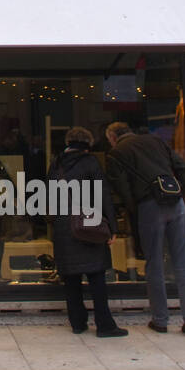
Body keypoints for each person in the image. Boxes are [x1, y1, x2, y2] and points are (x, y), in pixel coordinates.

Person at [104, 121, 185, 335]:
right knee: (184, 261)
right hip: (176, 203)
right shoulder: (156, 141)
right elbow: (183, 168)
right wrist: (180, 194)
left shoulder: (116, 153)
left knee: (154, 263)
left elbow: (123, 190)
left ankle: (160, 319)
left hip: (148, 206)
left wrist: (134, 213)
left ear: (112, 138)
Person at [48, 127, 127, 337]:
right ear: (88, 144)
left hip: (64, 226)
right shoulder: (90, 163)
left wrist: (54, 225)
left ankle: (77, 323)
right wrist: (112, 226)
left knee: (71, 280)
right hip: (88, 224)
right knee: (97, 278)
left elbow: (49, 200)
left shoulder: (55, 165)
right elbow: (103, 196)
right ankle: (104, 324)